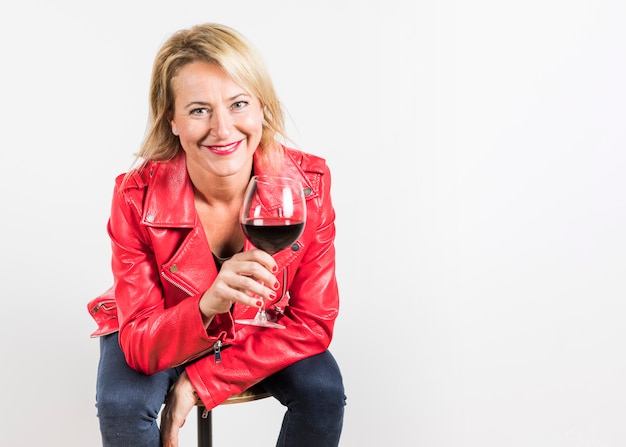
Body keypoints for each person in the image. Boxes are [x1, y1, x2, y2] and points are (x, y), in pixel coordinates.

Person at [86, 23, 346, 447]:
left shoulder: (308, 183)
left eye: (238, 104)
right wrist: (208, 303)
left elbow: (314, 321)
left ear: (262, 106)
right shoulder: (135, 195)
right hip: (159, 322)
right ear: (171, 119)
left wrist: (201, 381)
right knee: (121, 400)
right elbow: (138, 342)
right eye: (199, 110)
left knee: (323, 393)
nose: (223, 130)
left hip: (262, 324)